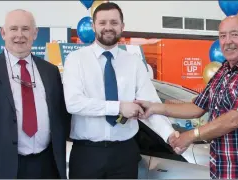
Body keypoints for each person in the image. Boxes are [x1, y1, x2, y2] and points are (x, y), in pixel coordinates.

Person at [135, 13, 238, 179]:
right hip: (222, 169)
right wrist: (156, 107)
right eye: (222, 36)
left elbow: (234, 118)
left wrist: (190, 136)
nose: (227, 41)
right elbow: (197, 107)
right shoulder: (223, 71)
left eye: (234, 34)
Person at [63, 2, 179, 179]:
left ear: (122, 27)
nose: (108, 27)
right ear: (93, 26)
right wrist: (118, 107)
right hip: (87, 153)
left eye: (114, 22)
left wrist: (169, 134)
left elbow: (151, 104)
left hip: (124, 153)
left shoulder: (133, 63)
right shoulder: (76, 60)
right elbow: (73, 103)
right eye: (102, 23)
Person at [0, 9, 71, 178]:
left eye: (25, 29)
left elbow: (60, 114)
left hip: (47, 164)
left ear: (35, 33)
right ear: (3, 32)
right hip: (1, 165)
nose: (19, 35)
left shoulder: (50, 71)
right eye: (14, 29)